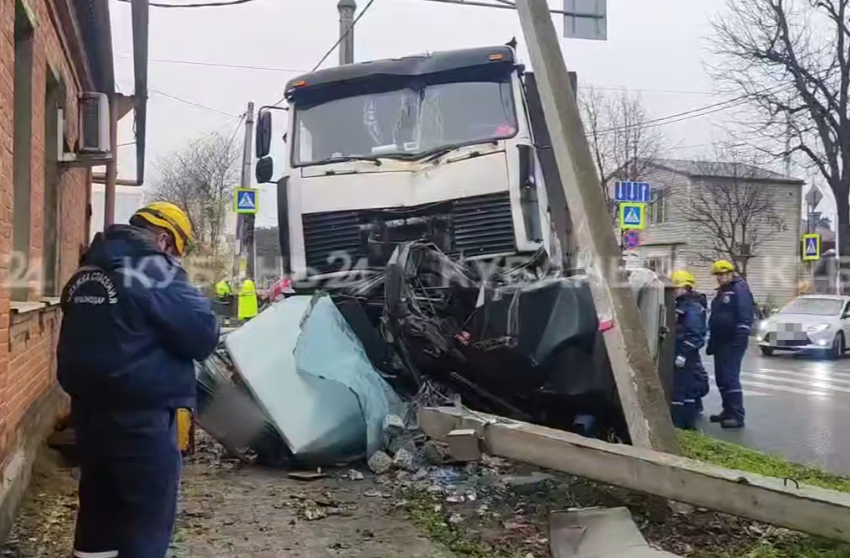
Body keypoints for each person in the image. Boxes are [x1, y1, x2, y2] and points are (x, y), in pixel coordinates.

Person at [57, 201, 219, 558]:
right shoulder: (153, 271)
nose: (174, 259)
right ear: (164, 240)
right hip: (142, 419)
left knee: (98, 513)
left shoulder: (86, 271)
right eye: (175, 251)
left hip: (88, 415)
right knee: (145, 520)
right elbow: (202, 336)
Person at [706, 259, 754, 429]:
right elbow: (717, 317)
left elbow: (745, 314)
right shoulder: (723, 292)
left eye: (723, 274)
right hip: (721, 341)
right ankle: (727, 411)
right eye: (717, 275)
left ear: (731, 273)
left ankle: (737, 415)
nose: (720, 277)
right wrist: (712, 340)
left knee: (730, 378)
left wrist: (740, 338)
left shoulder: (739, 290)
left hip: (732, 341)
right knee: (721, 378)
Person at [669, 270, 707, 429]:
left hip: (686, 355)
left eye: (676, 288)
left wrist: (683, 354)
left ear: (684, 288)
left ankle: (683, 425)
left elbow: (695, 335)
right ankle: (683, 424)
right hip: (680, 353)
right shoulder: (682, 305)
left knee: (682, 391)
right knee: (682, 390)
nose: (674, 292)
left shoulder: (692, 308)